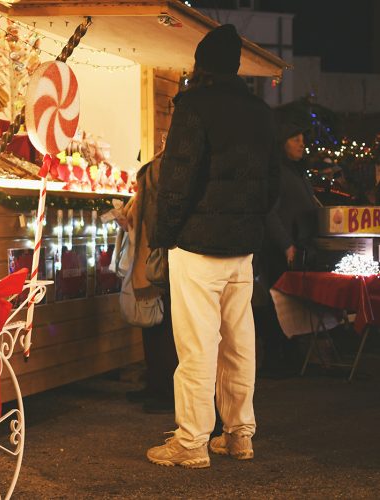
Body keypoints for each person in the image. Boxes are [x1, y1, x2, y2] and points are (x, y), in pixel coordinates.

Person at [146, 24, 280, 468]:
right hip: (242, 249)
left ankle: (191, 442)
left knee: (197, 346)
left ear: (202, 64)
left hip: (197, 246)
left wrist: (162, 236)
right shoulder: (261, 113)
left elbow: (176, 181)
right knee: (239, 343)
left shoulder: (193, 107)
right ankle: (239, 434)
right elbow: (273, 186)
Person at [257, 113, 319, 377]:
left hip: (296, 249)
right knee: (276, 307)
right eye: (295, 139)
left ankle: (291, 358)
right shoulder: (278, 174)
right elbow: (269, 212)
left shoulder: (296, 172)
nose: (301, 143)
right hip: (278, 252)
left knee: (291, 306)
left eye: (302, 138)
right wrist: (286, 245)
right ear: (282, 143)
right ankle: (275, 361)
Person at [120, 152, 177, 414]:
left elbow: (152, 211)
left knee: (161, 325)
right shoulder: (160, 165)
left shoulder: (162, 166)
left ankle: (164, 389)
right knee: (154, 324)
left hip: (156, 254)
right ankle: (156, 384)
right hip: (153, 252)